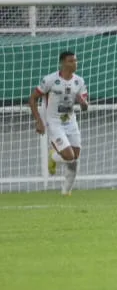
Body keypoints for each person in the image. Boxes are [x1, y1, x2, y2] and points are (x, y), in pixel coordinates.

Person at [28, 51, 89, 195]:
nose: (75, 63)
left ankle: (65, 192)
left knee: (75, 158)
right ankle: (53, 156)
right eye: (71, 61)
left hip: (70, 121)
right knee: (69, 156)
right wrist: (39, 121)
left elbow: (85, 107)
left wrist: (83, 103)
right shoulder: (50, 80)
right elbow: (32, 99)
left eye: (75, 60)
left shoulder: (79, 81)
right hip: (54, 122)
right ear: (62, 63)